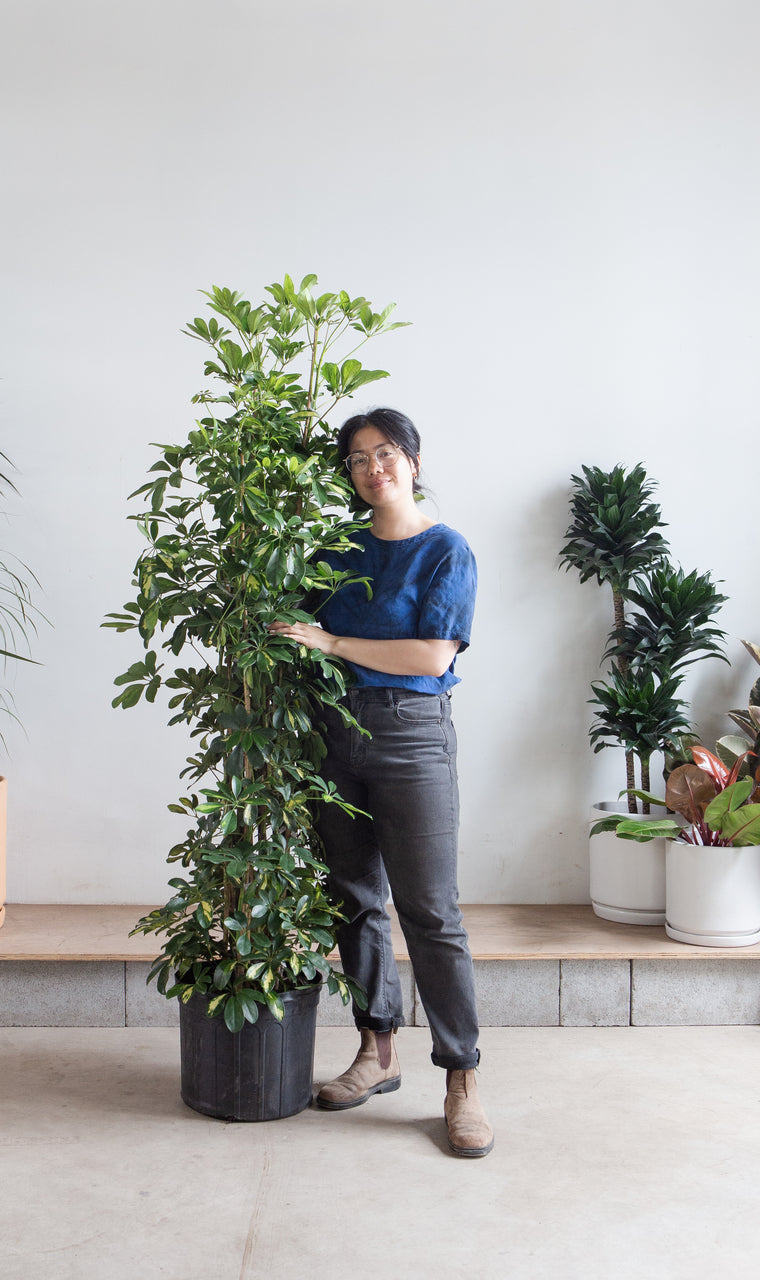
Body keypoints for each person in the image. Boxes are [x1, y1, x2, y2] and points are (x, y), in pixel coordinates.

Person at [267, 407, 493, 1158]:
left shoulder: (444, 550)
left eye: (386, 452)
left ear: (415, 460)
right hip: (334, 734)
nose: (374, 468)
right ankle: (377, 1051)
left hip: (410, 735)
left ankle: (461, 1079)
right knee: (355, 898)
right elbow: (286, 625)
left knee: (431, 911)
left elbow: (431, 657)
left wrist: (333, 641)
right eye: (358, 458)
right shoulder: (335, 550)